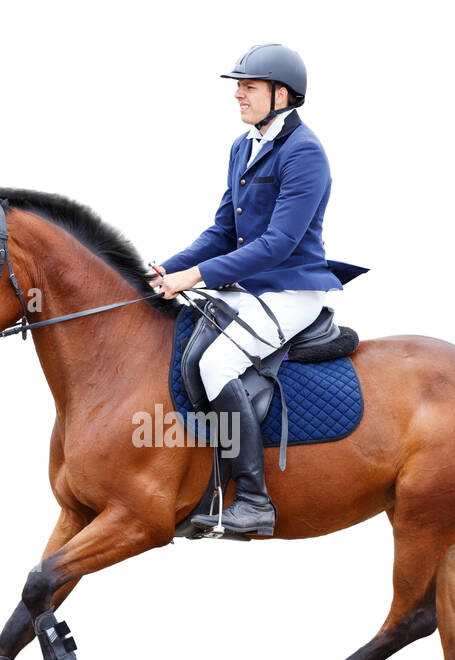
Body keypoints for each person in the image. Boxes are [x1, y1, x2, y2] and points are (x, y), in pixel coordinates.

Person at [154, 43, 363, 536]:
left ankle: (252, 501)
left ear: (281, 94)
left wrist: (196, 277)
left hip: (290, 287)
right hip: (251, 286)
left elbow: (277, 244)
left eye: (248, 87)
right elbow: (222, 231)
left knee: (215, 363)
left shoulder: (305, 153)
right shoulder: (242, 146)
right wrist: (169, 268)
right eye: (238, 88)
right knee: (186, 343)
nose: (238, 96)